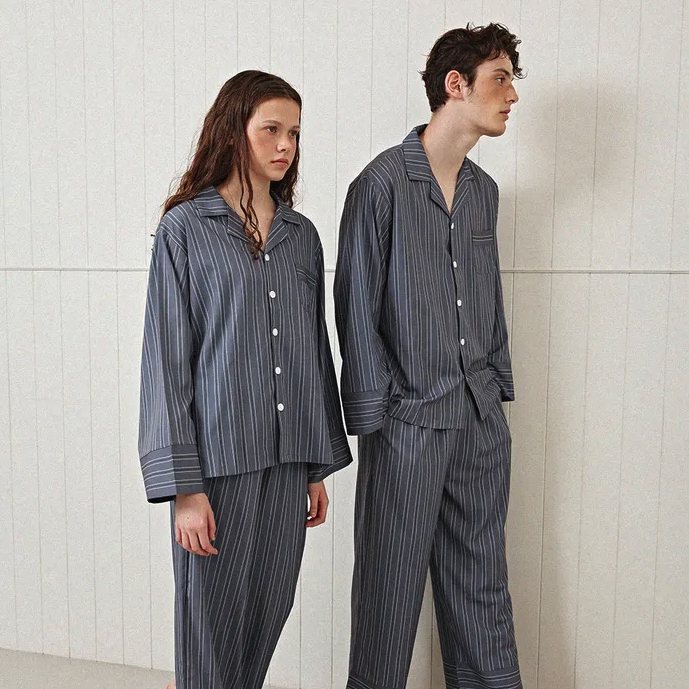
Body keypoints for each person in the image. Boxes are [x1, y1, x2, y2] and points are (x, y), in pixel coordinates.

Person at [138, 69, 352, 689]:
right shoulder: (185, 228)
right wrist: (184, 489)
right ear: (234, 131)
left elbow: (314, 351)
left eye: (294, 133)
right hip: (216, 465)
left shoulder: (301, 237)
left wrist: (315, 465)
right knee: (209, 626)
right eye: (271, 130)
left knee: (267, 611)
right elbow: (166, 362)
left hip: (287, 461)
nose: (285, 145)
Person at [334, 24, 524, 689]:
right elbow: (355, 303)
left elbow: (488, 299)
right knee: (388, 591)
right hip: (406, 423)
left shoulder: (483, 193)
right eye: (501, 78)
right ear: (456, 84)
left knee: (482, 586)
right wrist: (378, 415)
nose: (512, 95)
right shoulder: (380, 185)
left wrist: (495, 387)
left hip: (478, 419)